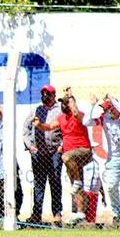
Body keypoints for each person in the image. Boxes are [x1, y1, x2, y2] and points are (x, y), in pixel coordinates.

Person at [33, 88, 93, 225]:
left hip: (83, 151)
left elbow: (76, 112)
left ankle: (77, 182)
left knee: (65, 158)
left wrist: (71, 98)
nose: (64, 106)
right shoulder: (61, 118)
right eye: (63, 103)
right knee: (76, 185)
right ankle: (81, 213)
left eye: (66, 103)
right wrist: (39, 124)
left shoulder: (79, 115)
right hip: (72, 157)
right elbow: (48, 127)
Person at [84, 94, 120, 225]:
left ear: (116, 107)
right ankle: (117, 214)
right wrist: (92, 106)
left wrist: (113, 101)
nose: (107, 111)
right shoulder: (105, 118)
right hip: (114, 158)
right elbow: (86, 122)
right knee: (112, 186)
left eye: (109, 108)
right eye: (106, 109)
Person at [22, 84, 63, 225]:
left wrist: (61, 146)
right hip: (38, 153)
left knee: (55, 182)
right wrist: (29, 145)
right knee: (39, 185)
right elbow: (25, 127)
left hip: (54, 152)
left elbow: (65, 128)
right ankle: (36, 214)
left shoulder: (59, 111)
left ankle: (57, 213)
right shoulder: (36, 110)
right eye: (43, 93)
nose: (45, 96)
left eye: (48, 93)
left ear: (54, 95)